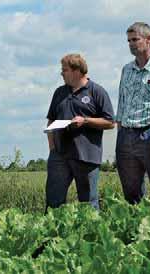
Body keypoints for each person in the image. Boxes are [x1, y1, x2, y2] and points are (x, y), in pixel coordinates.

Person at [45, 54, 115, 209]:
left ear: (77, 71)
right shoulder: (59, 92)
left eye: (65, 70)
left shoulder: (97, 91)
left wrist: (86, 121)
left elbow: (110, 122)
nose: (61, 73)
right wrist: (52, 149)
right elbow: (50, 121)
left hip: (86, 157)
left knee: (88, 203)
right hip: (60, 156)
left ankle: (91, 232)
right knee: (53, 202)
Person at [116, 22, 150, 204]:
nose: (131, 44)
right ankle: (137, 228)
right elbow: (121, 102)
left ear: (149, 40)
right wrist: (120, 130)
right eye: (128, 41)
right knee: (131, 193)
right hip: (126, 136)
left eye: (135, 39)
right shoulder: (126, 70)